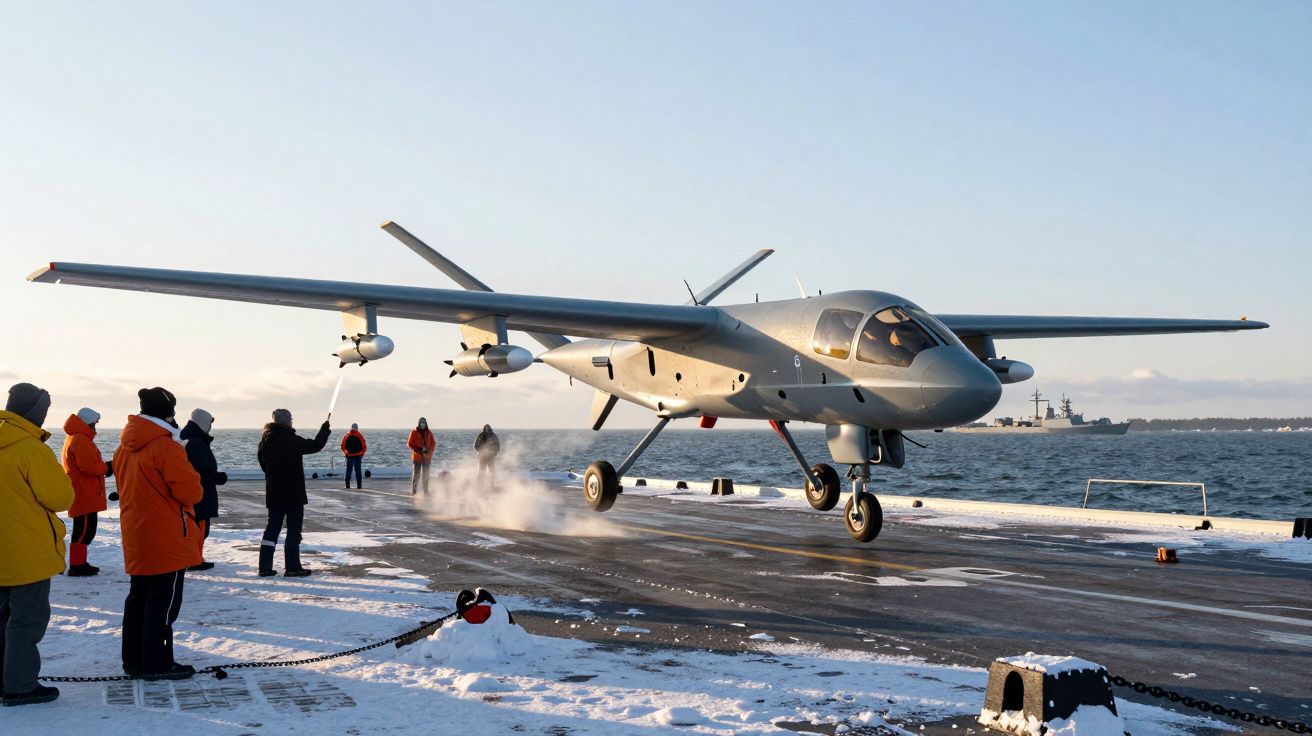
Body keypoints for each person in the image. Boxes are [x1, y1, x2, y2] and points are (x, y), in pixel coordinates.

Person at [116, 386, 203, 681]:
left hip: (136, 534)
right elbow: (191, 491)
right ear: (168, 413)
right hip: (166, 537)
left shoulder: (124, 447)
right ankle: (157, 662)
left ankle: (134, 660)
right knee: (163, 605)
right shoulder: (166, 447)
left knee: (138, 599)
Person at [0, 383, 73, 706]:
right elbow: (60, 497)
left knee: (3, 618)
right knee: (27, 621)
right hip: (27, 550)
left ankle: (6, 679)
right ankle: (19, 685)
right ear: (35, 412)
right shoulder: (30, 449)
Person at [256, 409, 330, 577]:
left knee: (272, 530)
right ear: (287, 421)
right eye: (291, 419)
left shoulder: (265, 442)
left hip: (274, 492)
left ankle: (264, 566)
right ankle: (292, 567)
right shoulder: (291, 440)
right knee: (293, 531)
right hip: (293, 494)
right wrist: (324, 430)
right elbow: (315, 445)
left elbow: (263, 465)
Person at [61, 407, 112, 577]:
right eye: (94, 423)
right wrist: (107, 467)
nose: (96, 426)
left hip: (84, 491)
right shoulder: (80, 439)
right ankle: (77, 565)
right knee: (83, 531)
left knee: (85, 529)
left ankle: (80, 562)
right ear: (87, 423)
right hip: (83, 492)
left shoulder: (75, 437)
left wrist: (105, 467)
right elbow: (89, 467)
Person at [181, 408, 226, 572]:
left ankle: (196, 558)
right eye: (209, 424)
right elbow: (201, 473)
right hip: (200, 494)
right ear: (202, 424)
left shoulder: (194, 441)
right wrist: (218, 477)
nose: (210, 427)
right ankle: (194, 560)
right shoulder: (197, 444)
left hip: (199, 493)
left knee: (199, 529)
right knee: (198, 530)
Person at [407, 417, 435, 495]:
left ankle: (425, 491)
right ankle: (414, 490)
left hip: (427, 456)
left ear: (426, 423)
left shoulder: (429, 433)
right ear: (419, 423)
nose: (422, 424)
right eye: (421, 422)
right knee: (416, 474)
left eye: (424, 422)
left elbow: (433, 444)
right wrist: (417, 449)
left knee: (426, 474)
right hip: (417, 456)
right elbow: (409, 444)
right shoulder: (414, 432)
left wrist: (429, 451)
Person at [339, 423, 367, 489]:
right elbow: (364, 447)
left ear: (351, 428)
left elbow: (342, 446)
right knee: (358, 470)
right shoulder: (360, 435)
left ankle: (347, 485)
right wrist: (361, 454)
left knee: (348, 470)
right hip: (358, 456)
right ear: (357, 428)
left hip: (349, 456)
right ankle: (359, 485)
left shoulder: (346, 435)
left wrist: (346, 453)